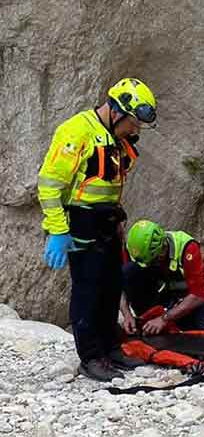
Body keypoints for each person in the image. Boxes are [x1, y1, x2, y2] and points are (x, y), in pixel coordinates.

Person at [38, 78, 157, 381]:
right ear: (117, 112)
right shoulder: (76, 131)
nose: (136, 130)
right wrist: (57, 230)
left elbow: (110, 183)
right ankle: (90, 357)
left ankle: (111, 347)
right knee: (88, 290)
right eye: (133, 123)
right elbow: (50, 184)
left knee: (110, 286)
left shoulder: (116, 138)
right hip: (81, 221)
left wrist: (117, 222)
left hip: (107, 221)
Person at [120, 220, 204, 334]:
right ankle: (146, 320)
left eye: (152, 261)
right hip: (158, 297)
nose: (149, 265)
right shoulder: (135, 250)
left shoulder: (187, 248)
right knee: (129, 271)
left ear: (162, 250)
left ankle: (168, 323)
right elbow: (119, 284)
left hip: (185, 300)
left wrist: (164, 319)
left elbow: (198, 295)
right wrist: (127, 315)